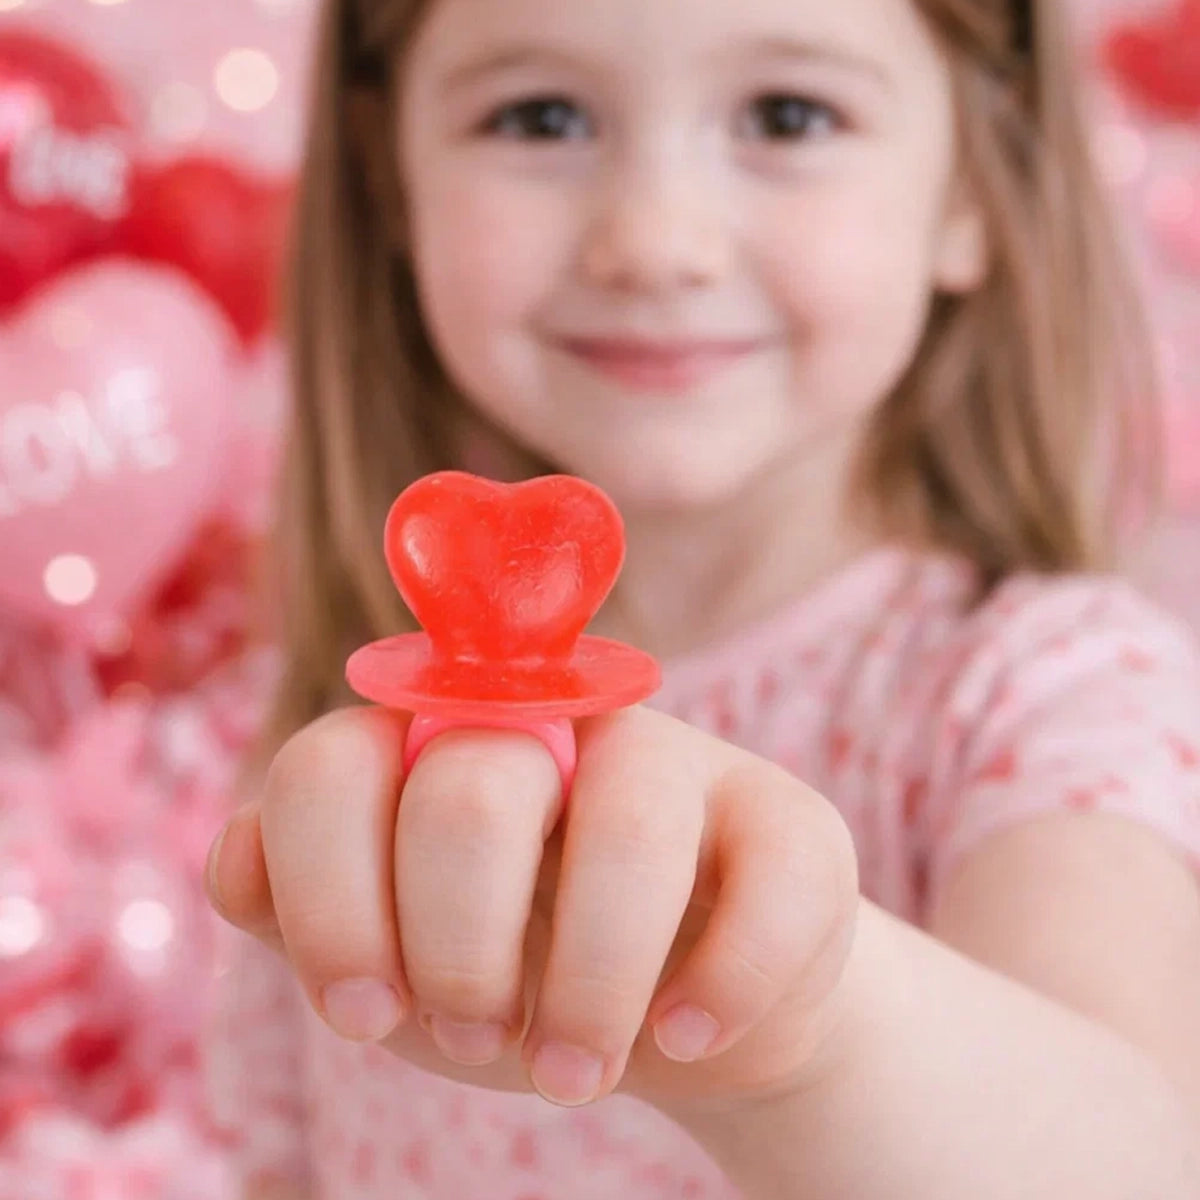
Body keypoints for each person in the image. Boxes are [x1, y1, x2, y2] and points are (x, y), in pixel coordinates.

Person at [202, 0, 1200, 1195]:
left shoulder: (1049, 692)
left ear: (972, 187)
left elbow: (1138, 1161)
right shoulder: (359, 709)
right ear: (387, 176)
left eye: (789, 113)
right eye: (542, 116)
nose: (654, 240)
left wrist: (807, 1038)